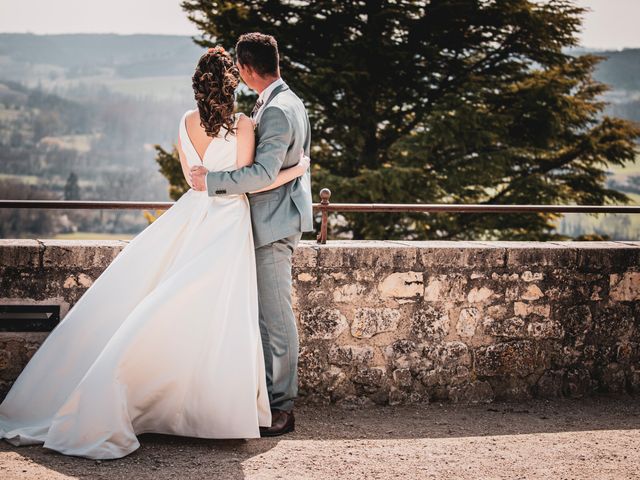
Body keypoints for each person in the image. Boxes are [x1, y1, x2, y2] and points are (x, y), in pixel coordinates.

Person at [0, 45, 310, 460]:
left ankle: (224, 400)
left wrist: (215, 179)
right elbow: (253, 177)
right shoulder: (246, 122)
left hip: (194, 216)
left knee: (176, 302)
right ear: (232, 83)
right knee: (221, 312)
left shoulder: (186, 122)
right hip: (229, 222)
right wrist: (297, 170)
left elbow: (196, 179)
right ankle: (214, 404)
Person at [190, 32, 314, 437]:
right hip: (272, 221)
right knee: (265, 318)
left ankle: (283, 407)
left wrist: (211, 181)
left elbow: (261, 174)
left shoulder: (277, 110)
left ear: (244, 68)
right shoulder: (287, 100)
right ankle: (267, 400)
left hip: (273, 226)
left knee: (276, 320)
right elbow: (285, 166)